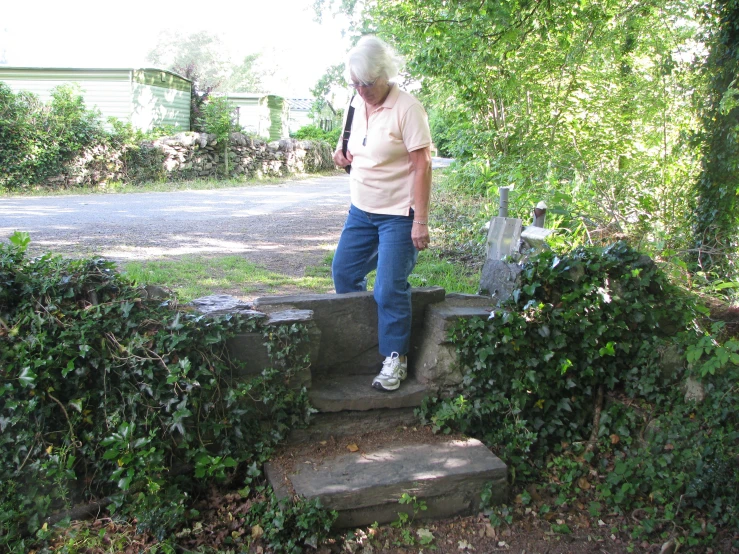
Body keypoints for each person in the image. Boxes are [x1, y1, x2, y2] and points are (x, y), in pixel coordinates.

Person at [332, 35, 432, 392]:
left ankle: (394, 358)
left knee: (389, 288)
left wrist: (419, 219)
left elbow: (423, 166)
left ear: (385, 74)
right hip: (361, 211)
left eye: (367, 83)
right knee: (344, 273)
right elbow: (354, 147)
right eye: (354, 83)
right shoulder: (356, 105)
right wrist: (341, 155)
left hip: (398, 215)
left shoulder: (408, 108)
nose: (361, 90)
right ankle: (363, 344)